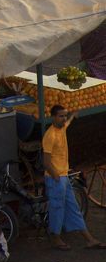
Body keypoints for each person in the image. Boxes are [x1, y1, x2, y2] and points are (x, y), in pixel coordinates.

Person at [42, 105, 105, 251]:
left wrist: (72, 115)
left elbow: (68, 122)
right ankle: (56, 239)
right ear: (53, 117)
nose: (64, 119)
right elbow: (46, 161)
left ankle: (89, 239)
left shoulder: (62, 128)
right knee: (57, 208)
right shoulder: (50, 136)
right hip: (56, 178)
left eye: (65, 116)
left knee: (73, 207)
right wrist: (56, 176)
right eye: (61, 116)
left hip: (63, 177)